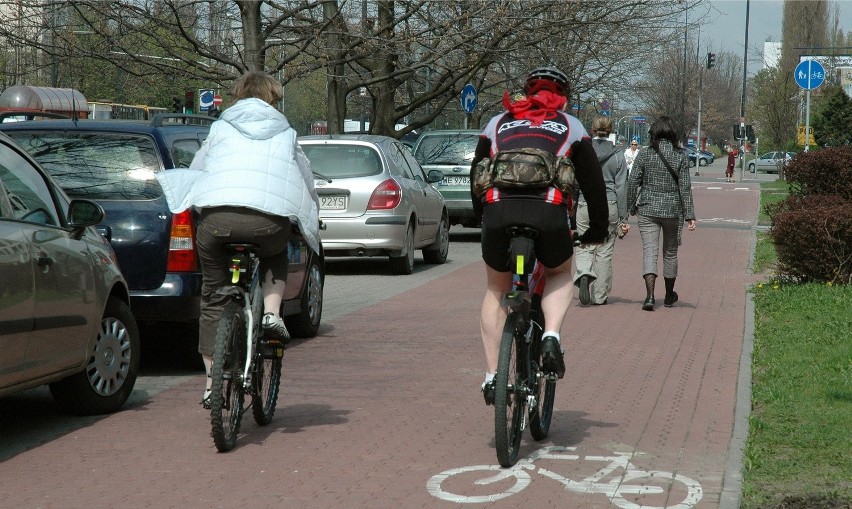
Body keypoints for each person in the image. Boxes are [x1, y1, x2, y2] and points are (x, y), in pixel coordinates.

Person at [155, 71, 320, 407]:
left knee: (214, 297)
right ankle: (272, 314)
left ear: (238, 96)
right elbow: (305, 179)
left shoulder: (219, 128)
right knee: (276, 251)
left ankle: (212, 384)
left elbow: (199, 169)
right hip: (268, 223)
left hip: (218, 222)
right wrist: (312, 216)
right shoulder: (286, 132)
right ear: (272, 98)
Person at [470, 66, 609, 405]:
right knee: (560, 271)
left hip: (498, 211)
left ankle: (491, 377)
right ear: (564, 96)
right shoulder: (571, 127)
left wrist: (482, 219)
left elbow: (477, 172)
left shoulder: (498, 122)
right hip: (548, 213)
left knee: (496, 288)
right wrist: (598, 230)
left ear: (527, 91)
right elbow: (593, 185)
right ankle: (550, 335)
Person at [626, 116, 696, 311]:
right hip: (673, 210)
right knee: (670, 253)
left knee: (650, 251)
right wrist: (690, 215)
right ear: (673, 133)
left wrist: (631, 207)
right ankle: (668, 295)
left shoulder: (645, 154)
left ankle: (649, 296)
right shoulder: (680, 155)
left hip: (647, 209)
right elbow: (685, 187)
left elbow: (632, 182)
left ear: (654, 132)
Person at [574, 116, 630, 306]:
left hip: (585, 201)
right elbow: (622, 186)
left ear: (593, 129)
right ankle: (600, 296)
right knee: (605, 250)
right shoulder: (618, 154)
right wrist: (623, 215)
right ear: (611, 130)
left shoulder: (583, 151)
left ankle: (583, 273)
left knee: (584, 244)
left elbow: (574, 179)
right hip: (609, 203)